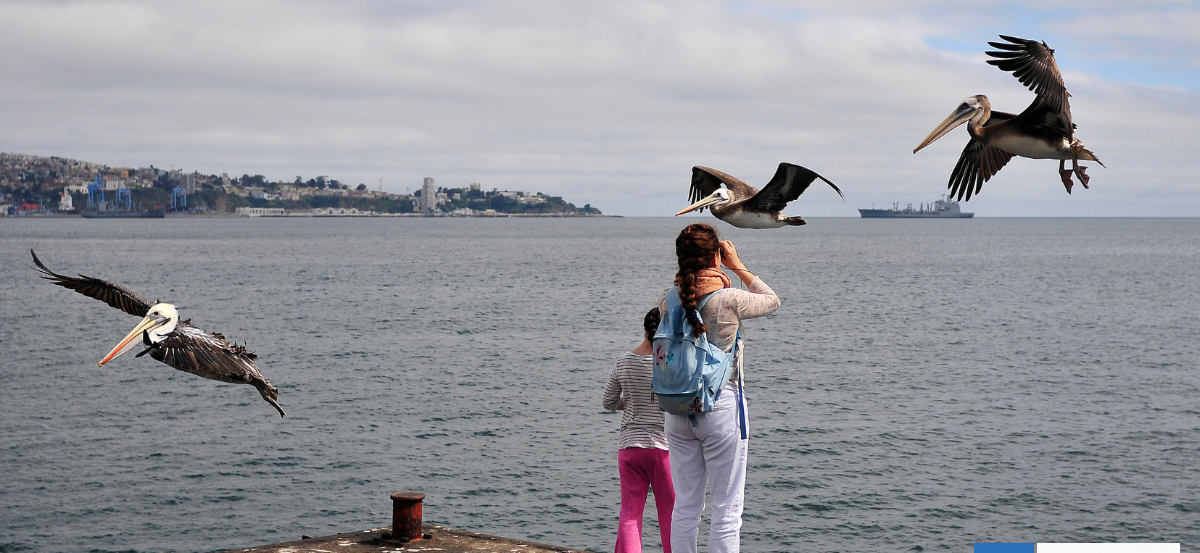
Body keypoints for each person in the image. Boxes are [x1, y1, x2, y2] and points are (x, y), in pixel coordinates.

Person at [659, 223, 780, 553]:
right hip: (720, 406)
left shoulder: (667, 299)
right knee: (727, 510)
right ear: (716, 256)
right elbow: (772, 301)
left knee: (685, 506)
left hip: (677, 408)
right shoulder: (727, 298)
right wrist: (736, 265)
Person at [603, 307, 675, 553]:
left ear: (645, 328)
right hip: (663, 449)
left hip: (630, 447)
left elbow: (609, 401)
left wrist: (632, 403)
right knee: (670, 514)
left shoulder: (624, 361)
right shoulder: (669, 363)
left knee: (631, 513)